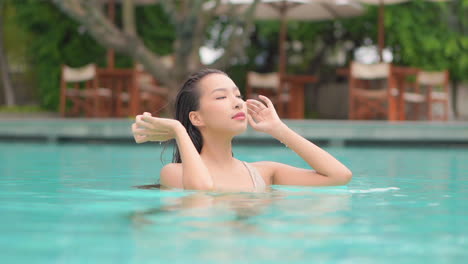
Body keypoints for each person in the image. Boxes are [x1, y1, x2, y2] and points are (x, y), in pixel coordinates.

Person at [131, 69, 352, 192]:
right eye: (221, 97)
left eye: (238, 95)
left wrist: (279, 129)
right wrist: (179, 130)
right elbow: (200, 196)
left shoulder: (264, 173)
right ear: (196, 117)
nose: (238, 103)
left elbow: (339, 176)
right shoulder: (174, 173)